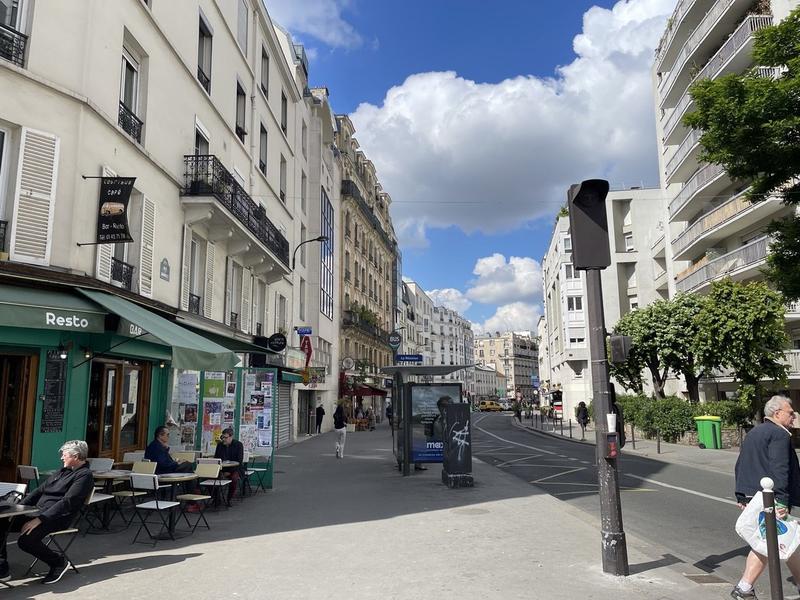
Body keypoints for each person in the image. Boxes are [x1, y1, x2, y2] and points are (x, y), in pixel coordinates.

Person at [731, 395, 800, 599]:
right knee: (768, 543)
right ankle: (744, 587)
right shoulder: (779, 434)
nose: (794, 416)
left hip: (755, 494)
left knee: (786, 540)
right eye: (790, 412)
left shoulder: (755, 431)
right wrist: (782, 501)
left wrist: (741, 495)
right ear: (777, 413)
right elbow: (780, 470)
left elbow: (740, 464)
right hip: (771, 498)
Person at [0, 440, 94, 585]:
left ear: (75, 457)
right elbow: (39, 491)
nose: (61, 458)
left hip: (57, 518)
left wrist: (40, 519)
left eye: (64, 455)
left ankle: (58, 563)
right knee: (2, 522)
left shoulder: (84, 476)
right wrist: (17, 509)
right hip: (37, 513)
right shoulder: (63, 471)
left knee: (26, 541)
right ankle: (2, 566)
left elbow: (67, 502)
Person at [214, 428, 245, 502]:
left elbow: (239, 461)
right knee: (208, 478)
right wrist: (221, 471)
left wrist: (229, 472)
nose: (224, 439)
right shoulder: (220, 445)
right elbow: (216, 459)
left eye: (226, 437)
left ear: (231, 437)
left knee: (234, 478)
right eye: (222, 437)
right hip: (222, 469)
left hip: (235, 469)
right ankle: (216, 498)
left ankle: (229, 499)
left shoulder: (238, 445)